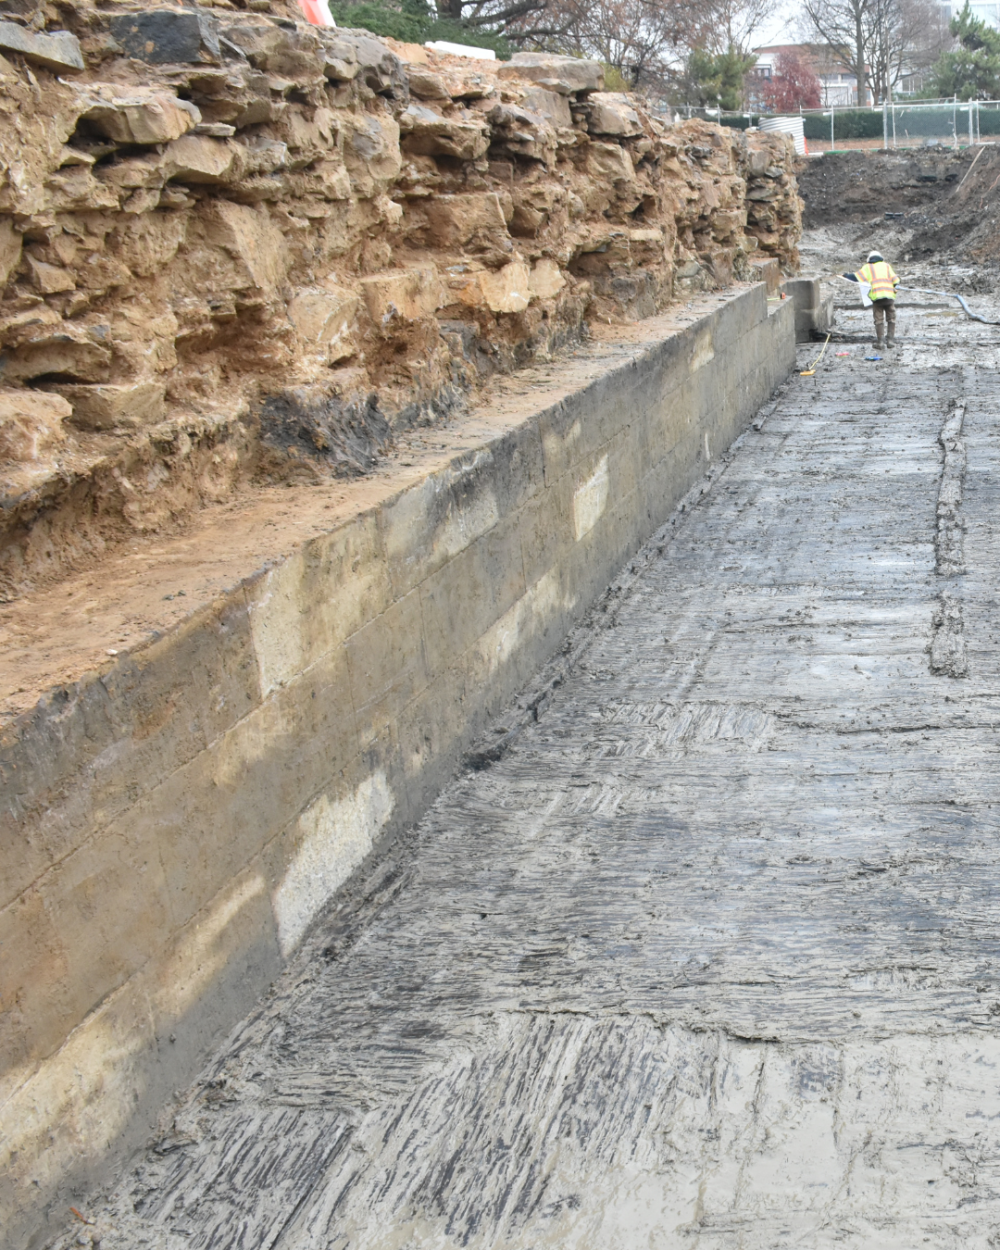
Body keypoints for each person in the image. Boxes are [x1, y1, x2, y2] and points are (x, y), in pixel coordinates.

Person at [842, 251, 900, 348]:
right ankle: (890, 341)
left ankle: (880, 342)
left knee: (878, 319)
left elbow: (856, 277)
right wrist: (893, 286)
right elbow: (896, 280)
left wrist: (846, 275)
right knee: (891, 318)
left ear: (870, 259)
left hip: (877, 298)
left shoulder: (868, 267)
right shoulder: (886, 266)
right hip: (889, 297)